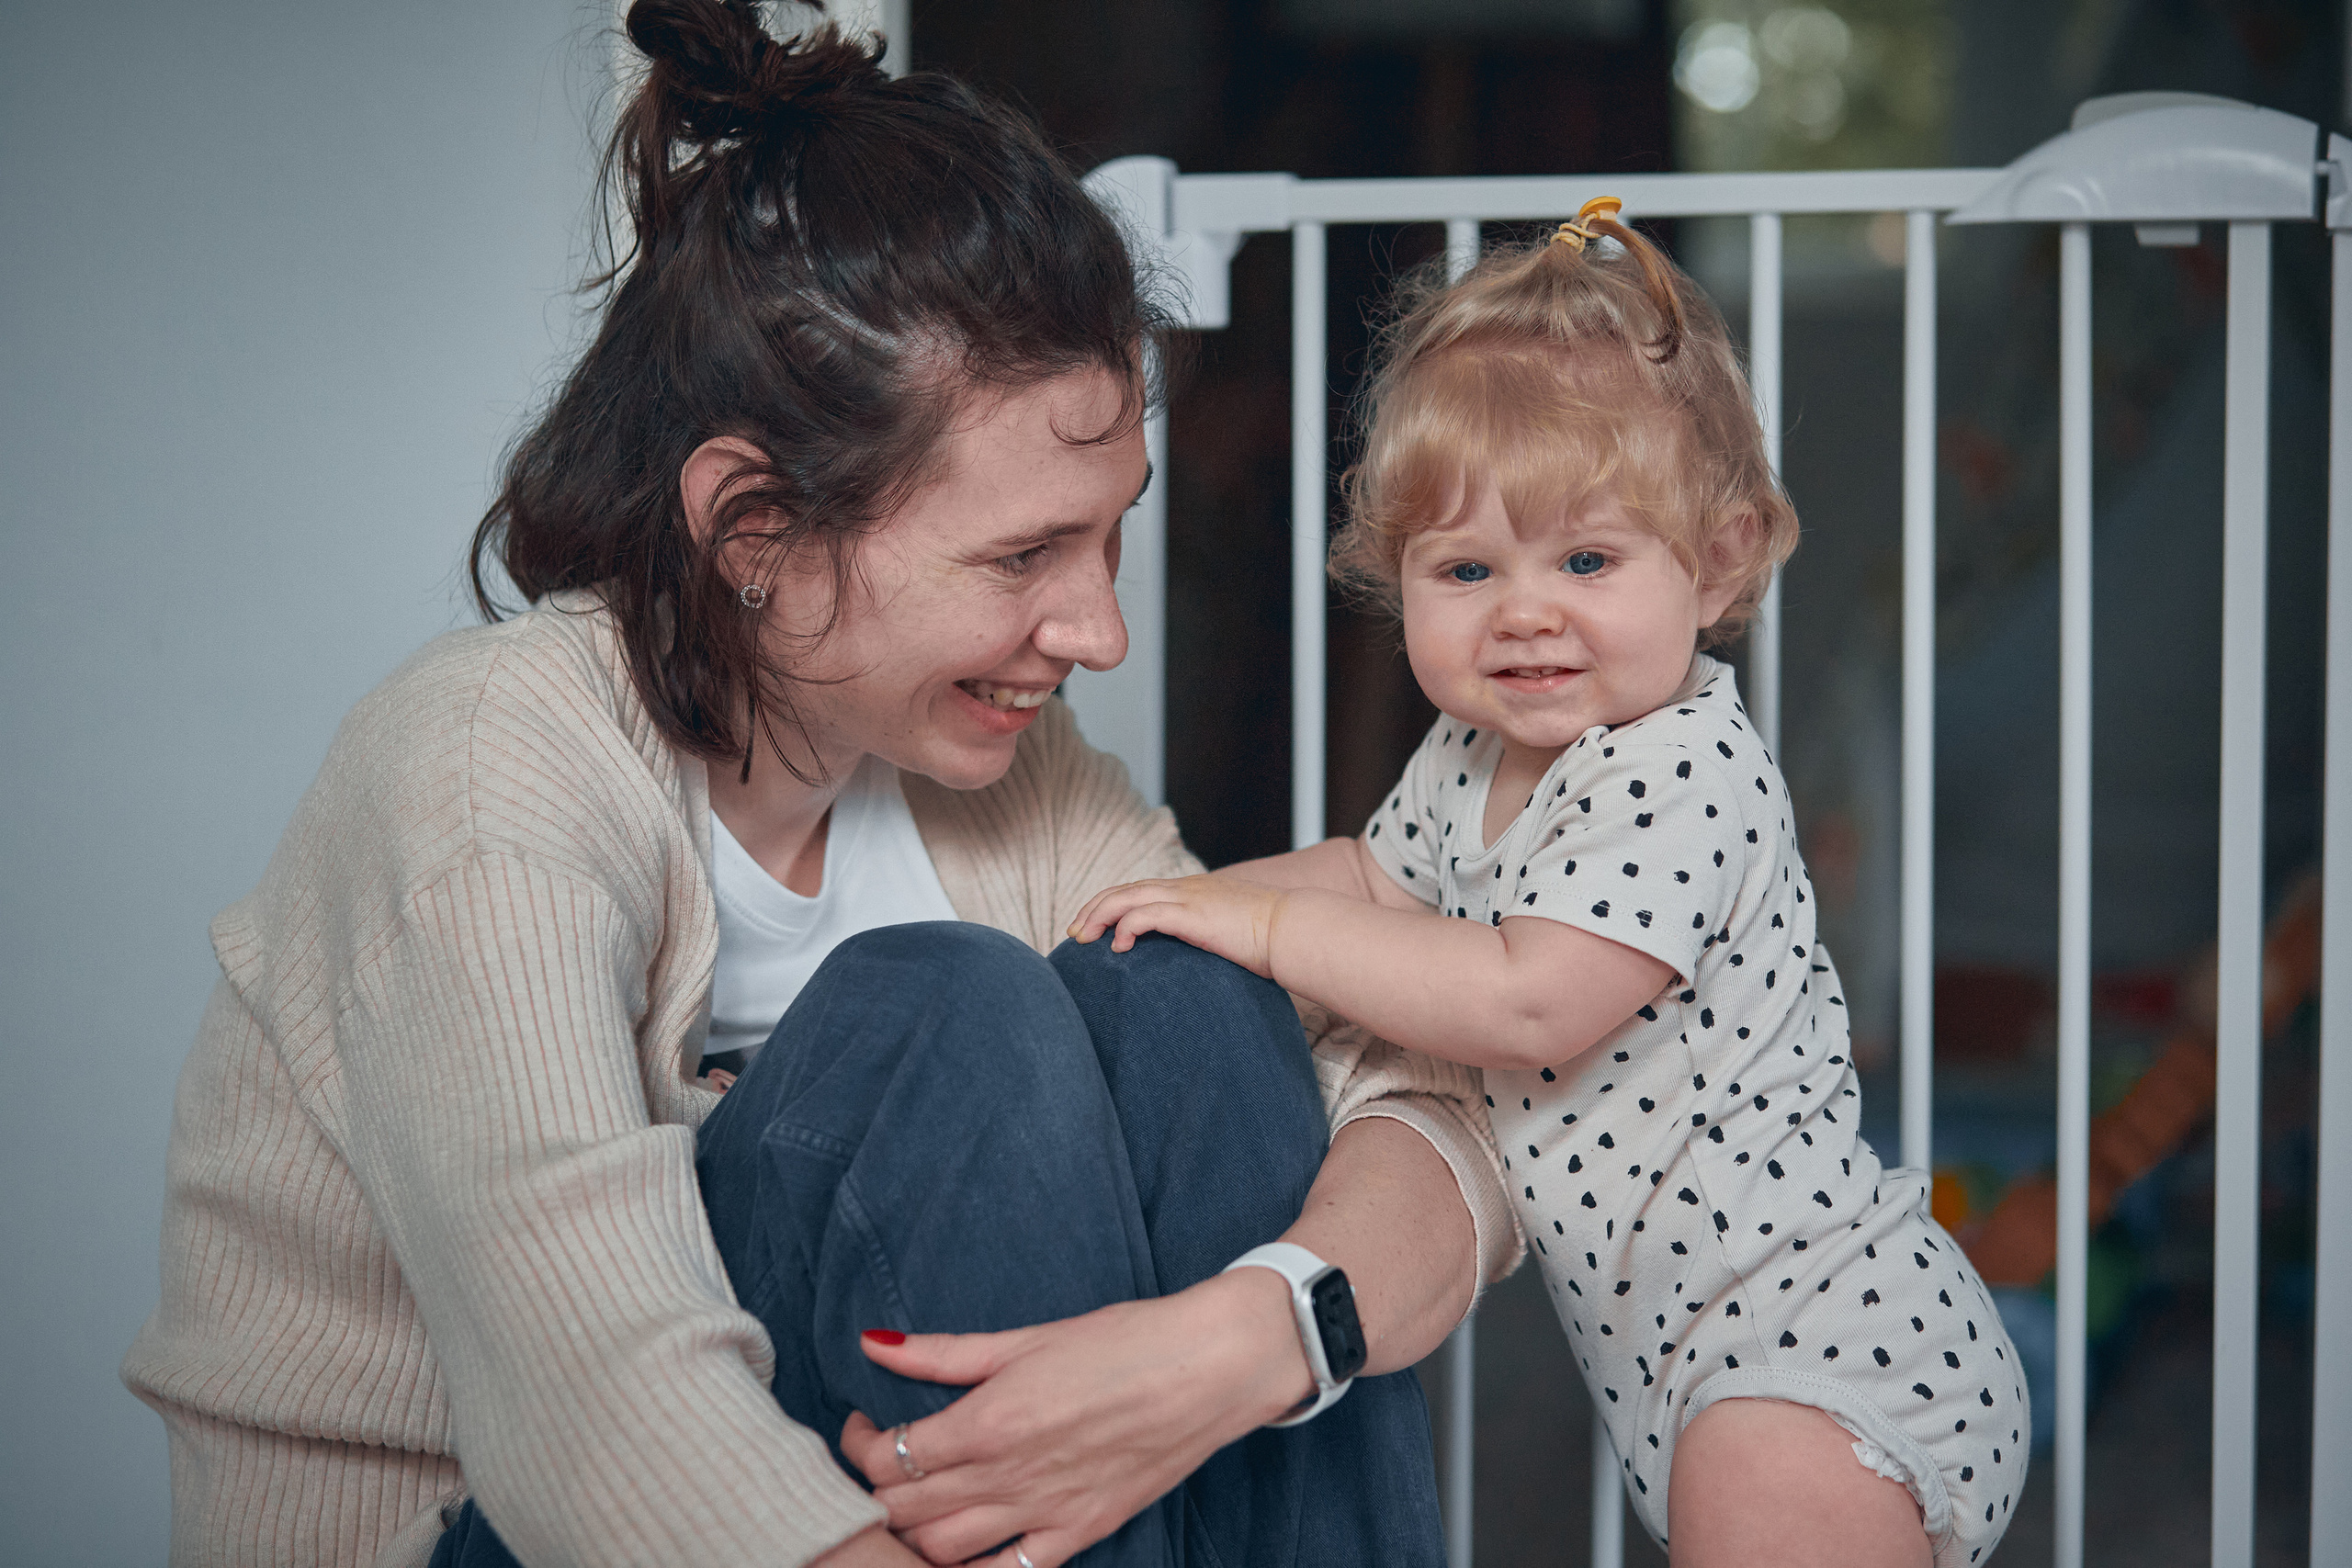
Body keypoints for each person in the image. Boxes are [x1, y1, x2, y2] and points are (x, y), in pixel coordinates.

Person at [119, 6, 1519, 1565]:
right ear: (753, 531)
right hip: (506, 1526)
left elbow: (1420, 1111)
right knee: (948, 1014)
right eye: (1019, 555)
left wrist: (1249, 1341)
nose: (1100, 631)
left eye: (1107, 531)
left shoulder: (1009, 782)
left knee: (1193, 1002)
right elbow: (600, 1402)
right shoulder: (481, 775)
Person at [1072, 200, 2030, 1568]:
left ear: (1718, 561)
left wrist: (1272, 929)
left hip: (1818, 1339)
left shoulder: (1680, 772)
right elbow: (1376, 880)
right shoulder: (1475, 756)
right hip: (1683, 1364)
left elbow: (1528, 1003)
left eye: (1586, 559)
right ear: (1393, 577)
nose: (1525, 611)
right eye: (1465, 567)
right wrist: (1175, 897)